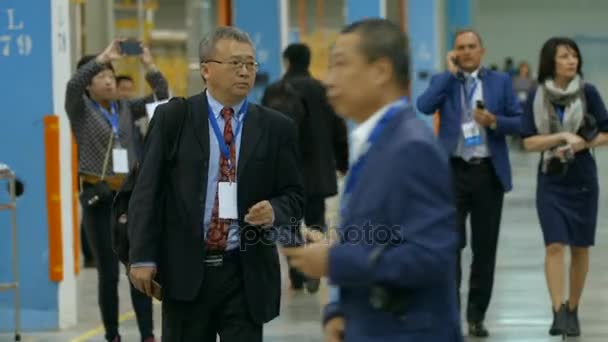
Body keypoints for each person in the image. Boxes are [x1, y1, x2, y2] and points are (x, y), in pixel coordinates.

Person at [282, 18, 462, 342]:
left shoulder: (411, 147)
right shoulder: (375, 143)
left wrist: (333, 261)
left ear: (380, 71)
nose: (328, 80)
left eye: (340, 65)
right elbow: (379, 241)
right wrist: (340, 312)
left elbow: (431, 256)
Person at [127, 26, 304, 342]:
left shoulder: (277, 128)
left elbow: (294, 195)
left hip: (245, 272)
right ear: (207, 70)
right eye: (235, 63)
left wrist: (275, 210)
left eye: (250, 64)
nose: (245, 72)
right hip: (186, 271)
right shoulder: (174, 119)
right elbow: (146, 191)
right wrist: (142, 256)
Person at [416, 29, 522, 337]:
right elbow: (424, 105)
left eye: (471, 47)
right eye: (460, 48)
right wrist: (449, 75)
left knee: (484, 249)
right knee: (450, 246)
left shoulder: (500, 82)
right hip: (451, 172)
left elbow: (520, 121)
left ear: (482, 50)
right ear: (454, 53)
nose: (466, 52)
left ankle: (476, 315)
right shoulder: (444, 81)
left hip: (488, 173)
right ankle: (450, 314)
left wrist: (495, 122)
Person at [65, 39, 168, 342]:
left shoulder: (126, 107)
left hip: (131, 198)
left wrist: (149, 64)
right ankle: (112, 335)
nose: (108, 79)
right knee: (108, 274)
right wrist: (102, 57)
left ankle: (148, 334)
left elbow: (162, 97)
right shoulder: (80, 109)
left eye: (110, 74)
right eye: (100, 76)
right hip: (100, 198)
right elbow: (72, 86)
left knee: (139, 266)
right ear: (89, 85)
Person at [521, 37, 608, 337]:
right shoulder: (537, 94)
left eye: (574, 56)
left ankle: (573, 308)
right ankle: (557, 310)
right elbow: (529, 142)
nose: (572, 61)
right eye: (564, 56)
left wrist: (580, 143)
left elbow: (607, 132)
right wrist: (561, 139)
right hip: (551, 178)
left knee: (581, 248)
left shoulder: (588, 92)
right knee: (555, 244)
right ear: (551, 62)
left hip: (582, 178)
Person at [262, 43, 349, 293]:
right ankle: (314, 268)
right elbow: (338, 129)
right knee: (315, 219)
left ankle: (297, 272)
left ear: (286, 61)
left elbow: (265, 131)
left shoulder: (274, 91)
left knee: (287, 222)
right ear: (309, 61)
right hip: (316, 169)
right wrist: (342, 162)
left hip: (285, 170)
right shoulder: (323, 91)